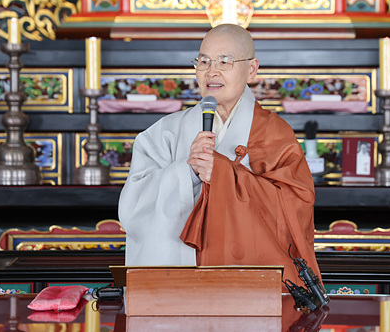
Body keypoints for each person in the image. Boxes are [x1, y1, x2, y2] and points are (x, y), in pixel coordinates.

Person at [118, 23, 320, 286]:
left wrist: (224, 175)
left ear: (251, 69)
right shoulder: (163, 133)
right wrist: (187, 171)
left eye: (225, 61)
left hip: (248, 288)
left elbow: (296, 208)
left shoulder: (275, 133)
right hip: (175, 288)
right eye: (203, 61)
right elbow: (132, 209)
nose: (211, 71)